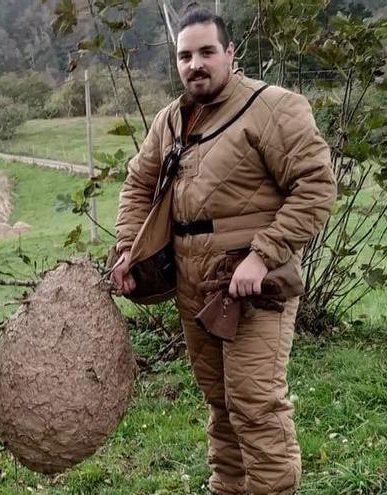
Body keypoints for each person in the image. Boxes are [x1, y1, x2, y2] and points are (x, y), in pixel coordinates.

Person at [111, 8, 336, 495]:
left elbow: (316, 187)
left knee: (255, 402)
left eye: (207, 52)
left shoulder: (272, 107)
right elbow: (138, 183)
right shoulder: (171, 120)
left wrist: (264, 253)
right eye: (185, 55)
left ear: (230, 53)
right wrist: (129, 248)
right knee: (219, 400)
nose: (196, 64)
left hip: (256, 285)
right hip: (193, 281)